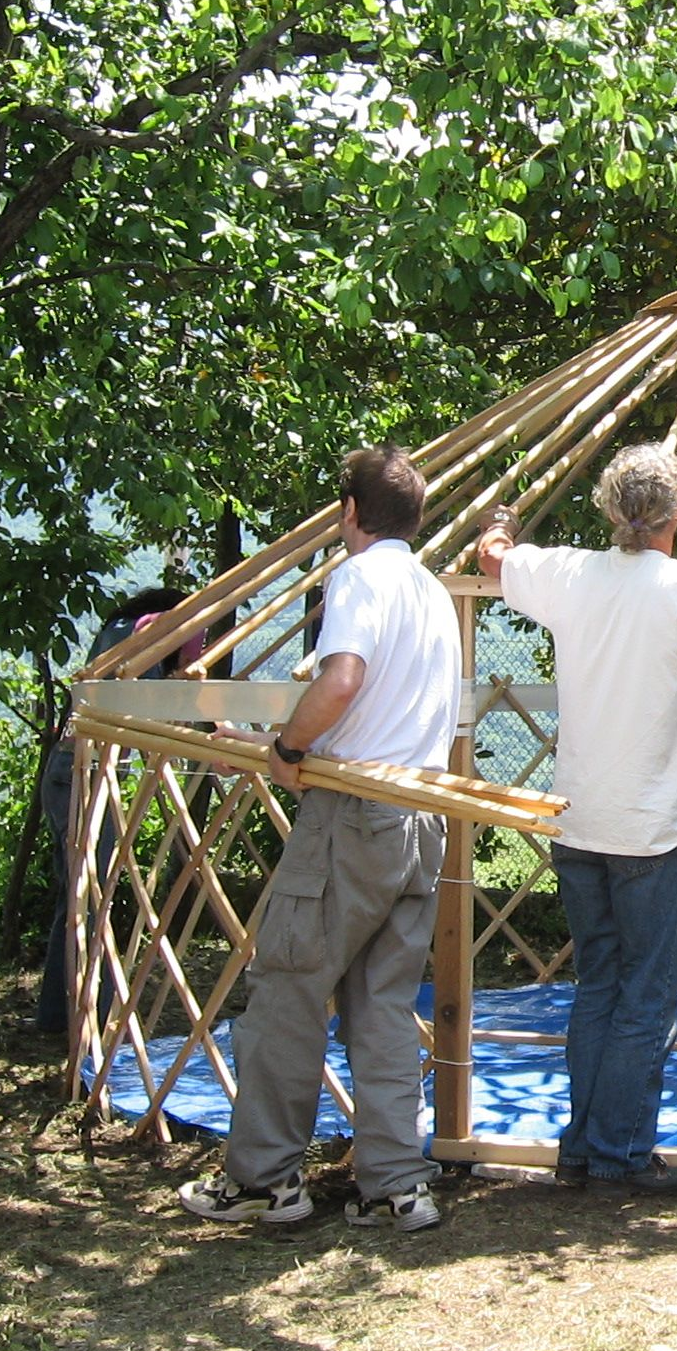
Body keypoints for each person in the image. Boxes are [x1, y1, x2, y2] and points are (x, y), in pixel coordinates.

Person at [474, 443, 677, 1195]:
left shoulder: (567, 573)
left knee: (598, 986)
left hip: (576, 823)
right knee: (645, 999)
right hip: (649, 835)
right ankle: (621, 1157)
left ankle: (581, 1151)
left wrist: (499, 525)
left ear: (609, 511)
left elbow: (494, 559)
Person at [177, 447, 459, 1232]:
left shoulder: (359, 578)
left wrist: (288, 750)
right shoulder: (434, 594)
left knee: (289, 990)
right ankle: (395, 1185)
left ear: (348, 515)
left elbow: (342, 681)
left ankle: (266, 1179)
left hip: (352, 815)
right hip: (419, 818)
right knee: (382, 1004)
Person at [34, 588, 198, 1036]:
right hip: (81, 773)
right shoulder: (140, 633)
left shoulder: (120, 632)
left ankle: (57, 1017)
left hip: (71, 771)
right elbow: (153, 704)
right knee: (93, 896)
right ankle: (96, 1016)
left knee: (77, 898)